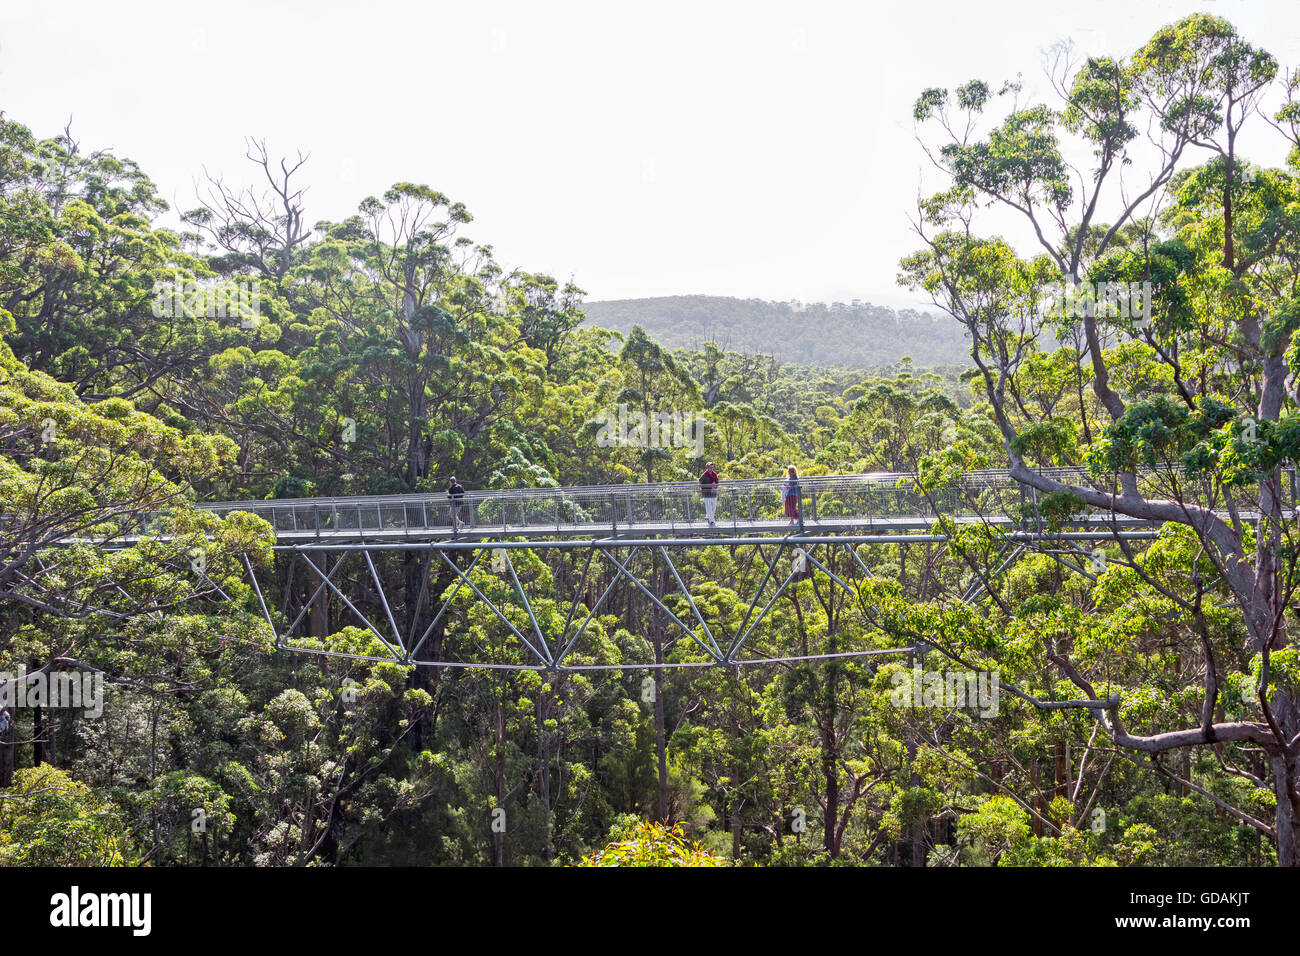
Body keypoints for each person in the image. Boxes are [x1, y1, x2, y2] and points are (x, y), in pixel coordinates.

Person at [699, 461, 720, 527]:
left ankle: (708, 517)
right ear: (707, 468)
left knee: (713, 508)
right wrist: (707, 487)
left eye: (712, 467)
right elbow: (700, 483)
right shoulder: (704, 475)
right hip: (707, 494)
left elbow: (717, 482)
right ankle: (712, 522)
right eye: (710, 467)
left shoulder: (714, 474)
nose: (711, 468)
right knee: (709, 508)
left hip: (713, 494)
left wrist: (715, 486)